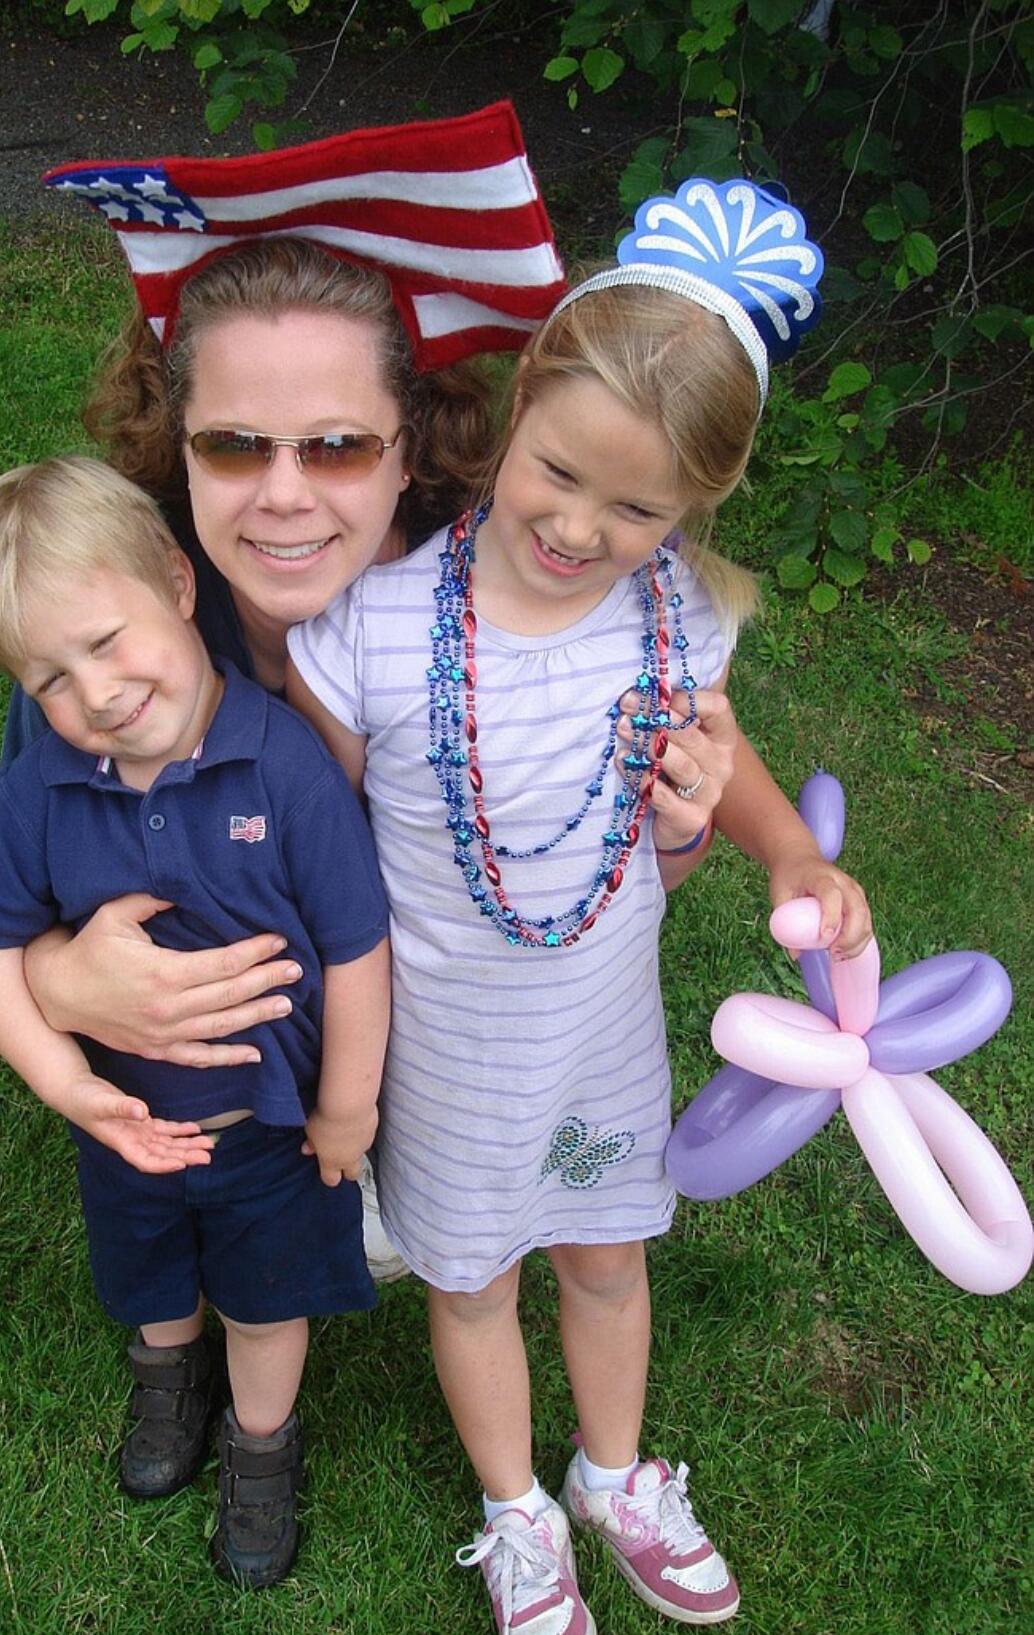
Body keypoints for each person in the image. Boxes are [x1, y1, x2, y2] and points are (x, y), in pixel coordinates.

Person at [286, 178, 872, 1630]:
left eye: (638, 506)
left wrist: (783, 848)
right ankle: (515, 1509)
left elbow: (713, 753)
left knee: (608, 1255)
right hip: (444, 1041)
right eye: (556, 473)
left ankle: (613, 1472)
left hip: (599, 1020)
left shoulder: (675, 613)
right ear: (519, 407)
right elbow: (326, 833)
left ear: (695, 508)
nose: (578, 524)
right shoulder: (372, 628)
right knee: (473, 1274)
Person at [15, 105, 568, 1290]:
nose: (280, 496)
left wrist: (671, 836)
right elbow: (22, 873)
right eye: (231, 445)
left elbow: (574, 904)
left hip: (438, 1039)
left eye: (334, 447)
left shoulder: (492, 633)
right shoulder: (122, 635)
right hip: (201, 1101)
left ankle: (395, 1153)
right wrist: (62, 980)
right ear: (177, 441)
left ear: (410, 448)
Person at [0, 455, 391, 1587]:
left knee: (266, 1293)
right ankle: (168, 1379)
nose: (92, 693)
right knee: (148, 1273)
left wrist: (347, 1108)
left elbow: (355, 946)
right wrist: (65, 1084)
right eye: (48, 677)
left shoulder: (282, 767)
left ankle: (258, 1442)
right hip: (127, 1122)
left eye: (106, 642)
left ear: (178, 589)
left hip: (269, 1128)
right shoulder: (40, 790)